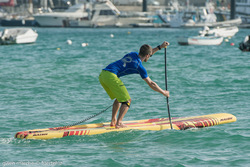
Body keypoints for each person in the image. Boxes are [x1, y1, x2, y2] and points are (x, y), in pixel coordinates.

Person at [99, 41, 170, 128]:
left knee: (120, 98)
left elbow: (148, 53)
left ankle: (113, 121)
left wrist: (160, 47)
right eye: (150, 55)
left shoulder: (133, 54)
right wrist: (163, 92)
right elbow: (151, 84)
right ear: (147, 55)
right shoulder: (139, 66)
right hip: (111, 76)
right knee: (127, 100)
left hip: (103, 74)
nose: (150, 56)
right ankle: (119, 123)